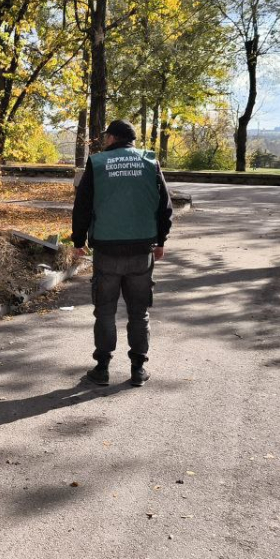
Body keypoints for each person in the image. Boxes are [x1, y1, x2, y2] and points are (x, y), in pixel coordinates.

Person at [71, 119, 172, 387]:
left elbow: (82, 206)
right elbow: (165, 206)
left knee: (105, 311)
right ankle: (138, 369)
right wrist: (161, 240)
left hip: (107, 249)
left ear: (113, 138)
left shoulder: (98, 163)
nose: (105, 140)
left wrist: (78, 240)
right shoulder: (150, 161)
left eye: (107, 137)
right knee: (139, 312)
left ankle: (102, 368)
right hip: (141, 249)